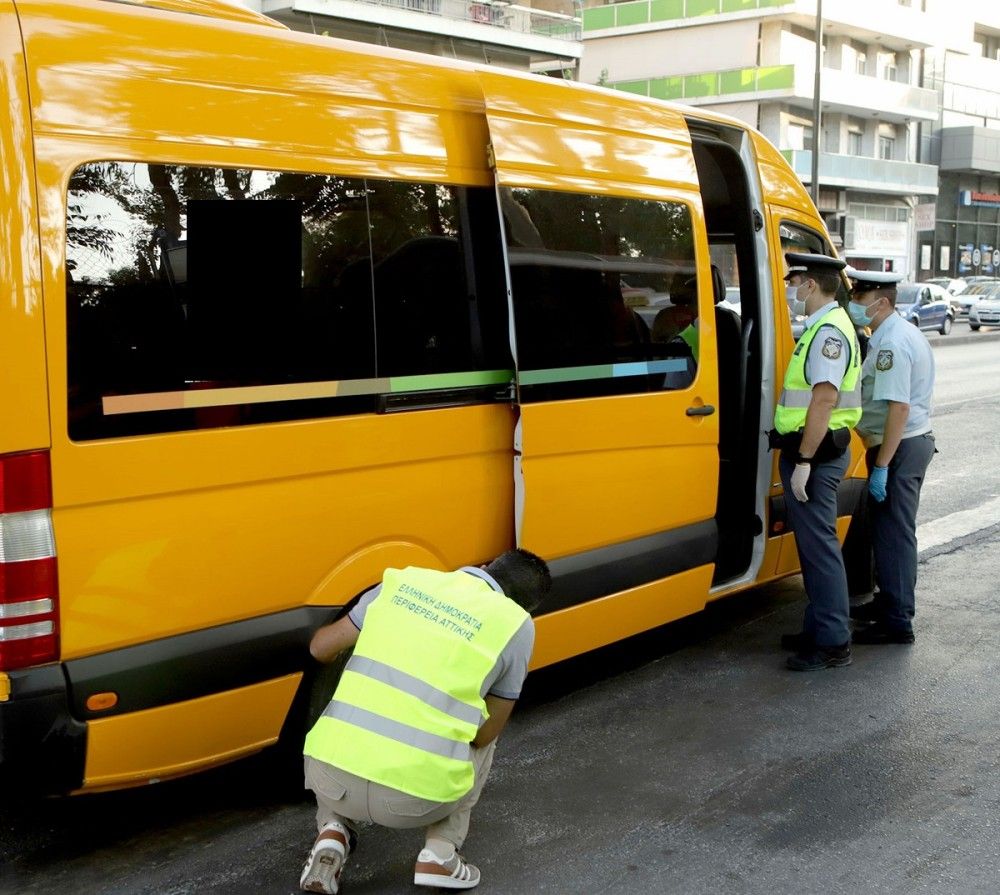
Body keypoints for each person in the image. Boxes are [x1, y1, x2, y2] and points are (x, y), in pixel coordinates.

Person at [299, 549, 551, 894]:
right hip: (415, 804)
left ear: (484, 566)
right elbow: (485, 733)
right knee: (485, 740)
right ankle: (440, 853)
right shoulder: (516, 625)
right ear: (525, 607)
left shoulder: (402, 581)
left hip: (330, 782)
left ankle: (331, 831)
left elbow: (321, 649)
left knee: (346, 715)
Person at [771, 252, 862, 672]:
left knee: (820, 550)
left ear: (810, 284)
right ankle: (819, 627)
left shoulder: (829, 331)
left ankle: (832, 642)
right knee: (813, 549)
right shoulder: (827, 326)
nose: (792, 290)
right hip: (813, 451)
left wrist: (804, 459)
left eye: (795, 283)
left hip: (817, 456)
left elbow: (823, 400)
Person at [844, 267, 936, 645]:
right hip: (899, 445)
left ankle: (897, 621)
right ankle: (889, 603)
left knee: (895, 535)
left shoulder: (892, 344)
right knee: (887, 532)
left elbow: (898, 408)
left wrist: (882, 465)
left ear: (881, 302)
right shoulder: (892, 333)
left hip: (897, 447)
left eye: (860, 299)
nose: (854, 305)